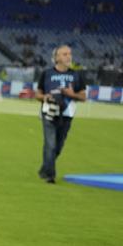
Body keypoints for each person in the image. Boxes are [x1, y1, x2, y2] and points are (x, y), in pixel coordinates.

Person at [34, 44, 86, 184]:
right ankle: (50, 176)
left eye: (69, 53)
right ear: (56, 57)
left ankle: (44, 169)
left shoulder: (76, 75)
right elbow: (37, 94)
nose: (69, 56)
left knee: (58, 147)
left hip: (67, 114)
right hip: (49, 113)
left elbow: (83, 97)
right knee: (50, 144)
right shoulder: (47, 73)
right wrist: (44, 97)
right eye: (64, 54)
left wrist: (71, 94)